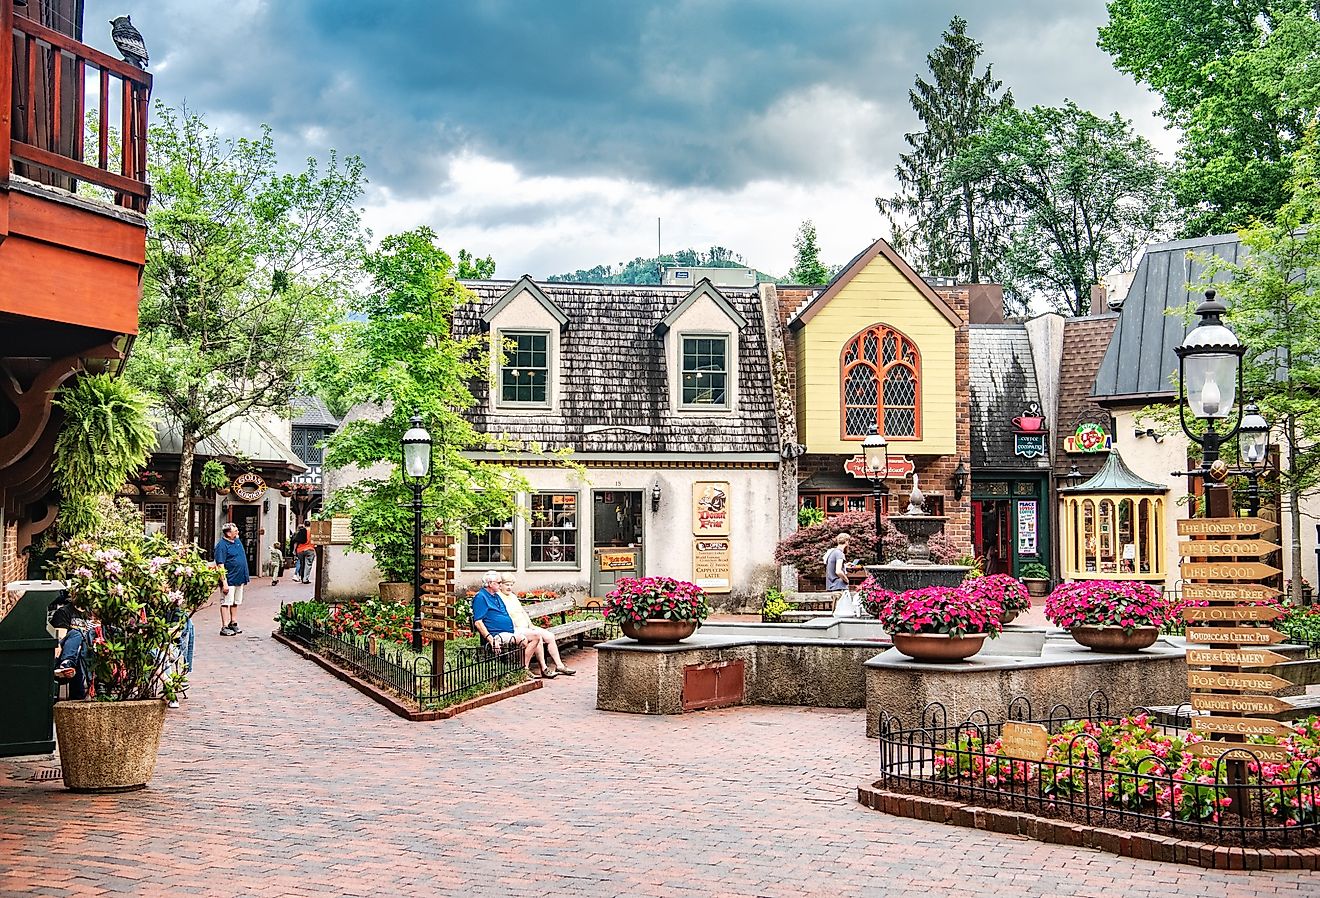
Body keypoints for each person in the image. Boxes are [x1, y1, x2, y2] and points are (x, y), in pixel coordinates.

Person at [500, 573, 574, 678]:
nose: (509, 587)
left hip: (526, 626)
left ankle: (559, 665)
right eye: (507, 584)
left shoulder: (512, 596)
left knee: (550, 636)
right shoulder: (499, 598)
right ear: (500, 585)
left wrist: (530, 624)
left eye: (511, 585)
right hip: (517, 628)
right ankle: (544, 668)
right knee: (537, 637)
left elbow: (522, 611)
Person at [470, 570, 542, 676]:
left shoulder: (496, 596)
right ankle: (521, 671)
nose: (500, 584)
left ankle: (523, 669)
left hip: (509, 631)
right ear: (490, 584)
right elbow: (478, 622)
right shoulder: (481, 597)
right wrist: (491, 639)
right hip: (496, 634)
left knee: (536, 636)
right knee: (522, 639)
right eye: (498, 583)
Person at [214, 523, 250, 636]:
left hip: (239, 577)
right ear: (228, 533)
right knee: (226, 602)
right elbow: (220, 565)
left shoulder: (237, 541)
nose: (237, 532)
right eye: (235, 530)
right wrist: (224, 582)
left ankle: (233, 622)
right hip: (229, 578)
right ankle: (224, 626)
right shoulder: (221, 546)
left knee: (236, 601)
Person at [825, 532, 855, 617]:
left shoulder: (832, 552)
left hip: (834, 588)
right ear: (846, 542)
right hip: (839, 589)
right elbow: (838, 571)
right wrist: (846, 579)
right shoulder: (840, 554)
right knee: (841, 617)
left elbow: (834, 566)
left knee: (836, 615)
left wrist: (845, 566)